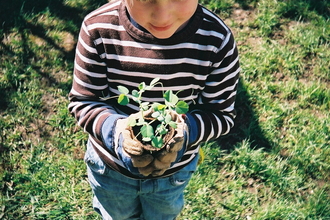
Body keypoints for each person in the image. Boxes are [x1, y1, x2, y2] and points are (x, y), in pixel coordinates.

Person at [68, 0, 240, 219]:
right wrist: (118, 133)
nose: (162, 16)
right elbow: (84, 101)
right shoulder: (98, 29)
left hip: (172, 174)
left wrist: (185, 132)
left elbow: (220, 114)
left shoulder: (216, 40)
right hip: (111, 170)